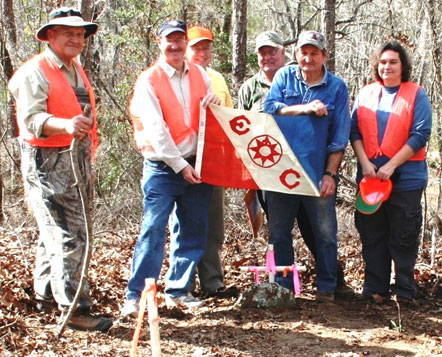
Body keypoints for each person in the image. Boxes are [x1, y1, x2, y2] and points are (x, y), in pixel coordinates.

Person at [7, 7, 112, 331]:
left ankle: (46, 297)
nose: (76, 39)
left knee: (53, 233)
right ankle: (75, 310)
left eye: (80, 34)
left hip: (75, 160)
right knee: (71, 235)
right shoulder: (33, 72)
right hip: (47, 162)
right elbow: (33, 121)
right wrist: (66, 125)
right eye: (68, 32)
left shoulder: (74, 68)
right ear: (50, 35)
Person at [239, 30, 350, 297]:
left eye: (314, 53)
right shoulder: (284, 77)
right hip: (280, 173)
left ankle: (327, 289)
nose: (308, 58)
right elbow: (270, 110)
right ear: (296, 54)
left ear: (324, 56)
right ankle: (283, 289)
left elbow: (339, 137)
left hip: (316, 175)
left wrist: (330, 174)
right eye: (304, 52)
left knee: (324, 235)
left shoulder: (337, 87)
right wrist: (304, 108)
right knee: (279, 235)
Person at [121, 20, 220, 317]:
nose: (175, 46)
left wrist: (213, 103)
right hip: (163, 167)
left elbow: (210, 117)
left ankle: (178, 290)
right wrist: (179, 166)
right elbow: (156, 129)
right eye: (170, 40)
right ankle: (137, 295)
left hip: (198, 164)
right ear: (159, 43)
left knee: (193, 230)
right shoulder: (148, 80)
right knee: (153, 230)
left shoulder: (200, 74)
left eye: (180, 40)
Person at [350, 40, 431, 304]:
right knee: (372, 232)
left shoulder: (416, 94)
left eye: (393, 62)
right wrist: (365, 163)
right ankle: (375, 288)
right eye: (383, 62)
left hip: (406, 177)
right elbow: (354, 132)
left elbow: (421, 134)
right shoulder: (366, 93)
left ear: (403, 66)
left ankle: (404, 290)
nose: (387, 67)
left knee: (404, 233)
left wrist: (392, 164)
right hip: (370, 178)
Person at [184, 25, 234, 298]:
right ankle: (183, 285)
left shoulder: (218, 79)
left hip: (214, 163)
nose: (202, 53)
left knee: (213, 227)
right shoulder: (177, 78)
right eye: (196, 47)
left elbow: (230, 121)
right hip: (185, 162)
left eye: (206, 47)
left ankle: (213, 283)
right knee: (185, 225)